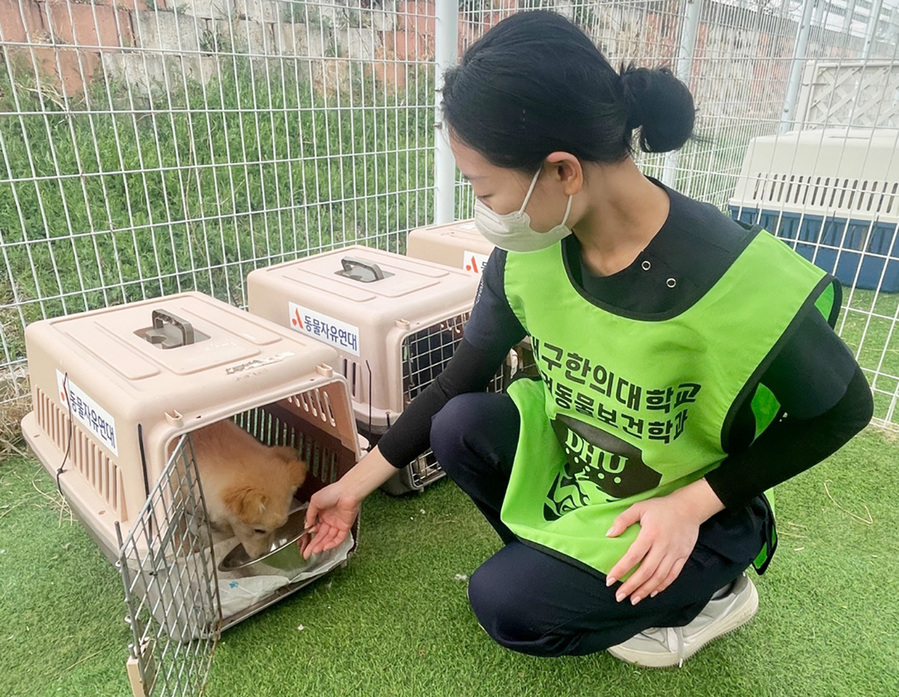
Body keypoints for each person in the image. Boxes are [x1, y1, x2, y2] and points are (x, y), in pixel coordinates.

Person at [304, 11, 873, 667]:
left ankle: (707, 595)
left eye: (484, 188)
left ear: (563, 172)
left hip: (695, 503)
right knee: (460, 426)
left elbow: (843, 410)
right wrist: (353, 485)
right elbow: (457, 382)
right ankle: (577, 569)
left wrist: (692, 506)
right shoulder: (533, 252)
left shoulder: (736, 276)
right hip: (589, 473)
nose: (484, 210)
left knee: (507, 606)